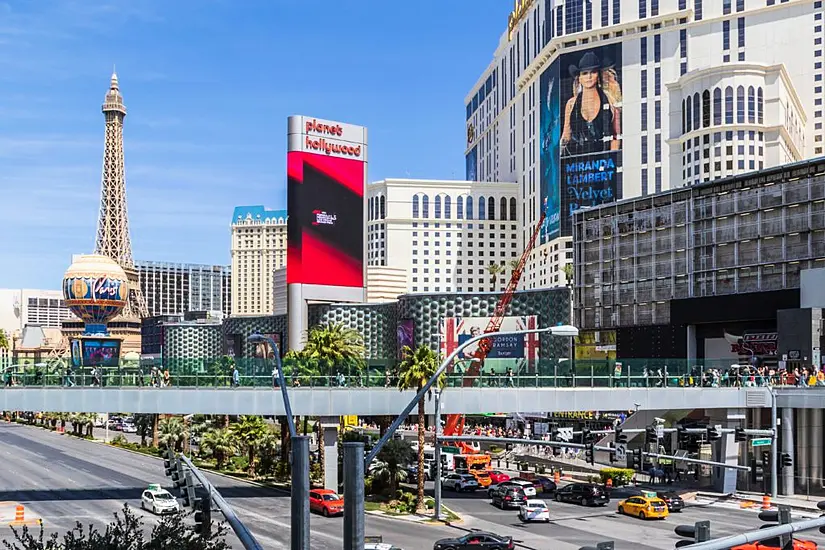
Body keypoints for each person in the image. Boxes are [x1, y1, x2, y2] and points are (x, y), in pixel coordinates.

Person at [561, 51, 622, 157]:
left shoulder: (611, 102)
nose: (589, 76)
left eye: (593, 72)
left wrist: (612, 161)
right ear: (579, 78)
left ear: (598, 75)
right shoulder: (571, 104)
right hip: (578, 164)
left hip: (603, 162)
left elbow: (616, 136)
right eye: (584, 73)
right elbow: (566, 136)